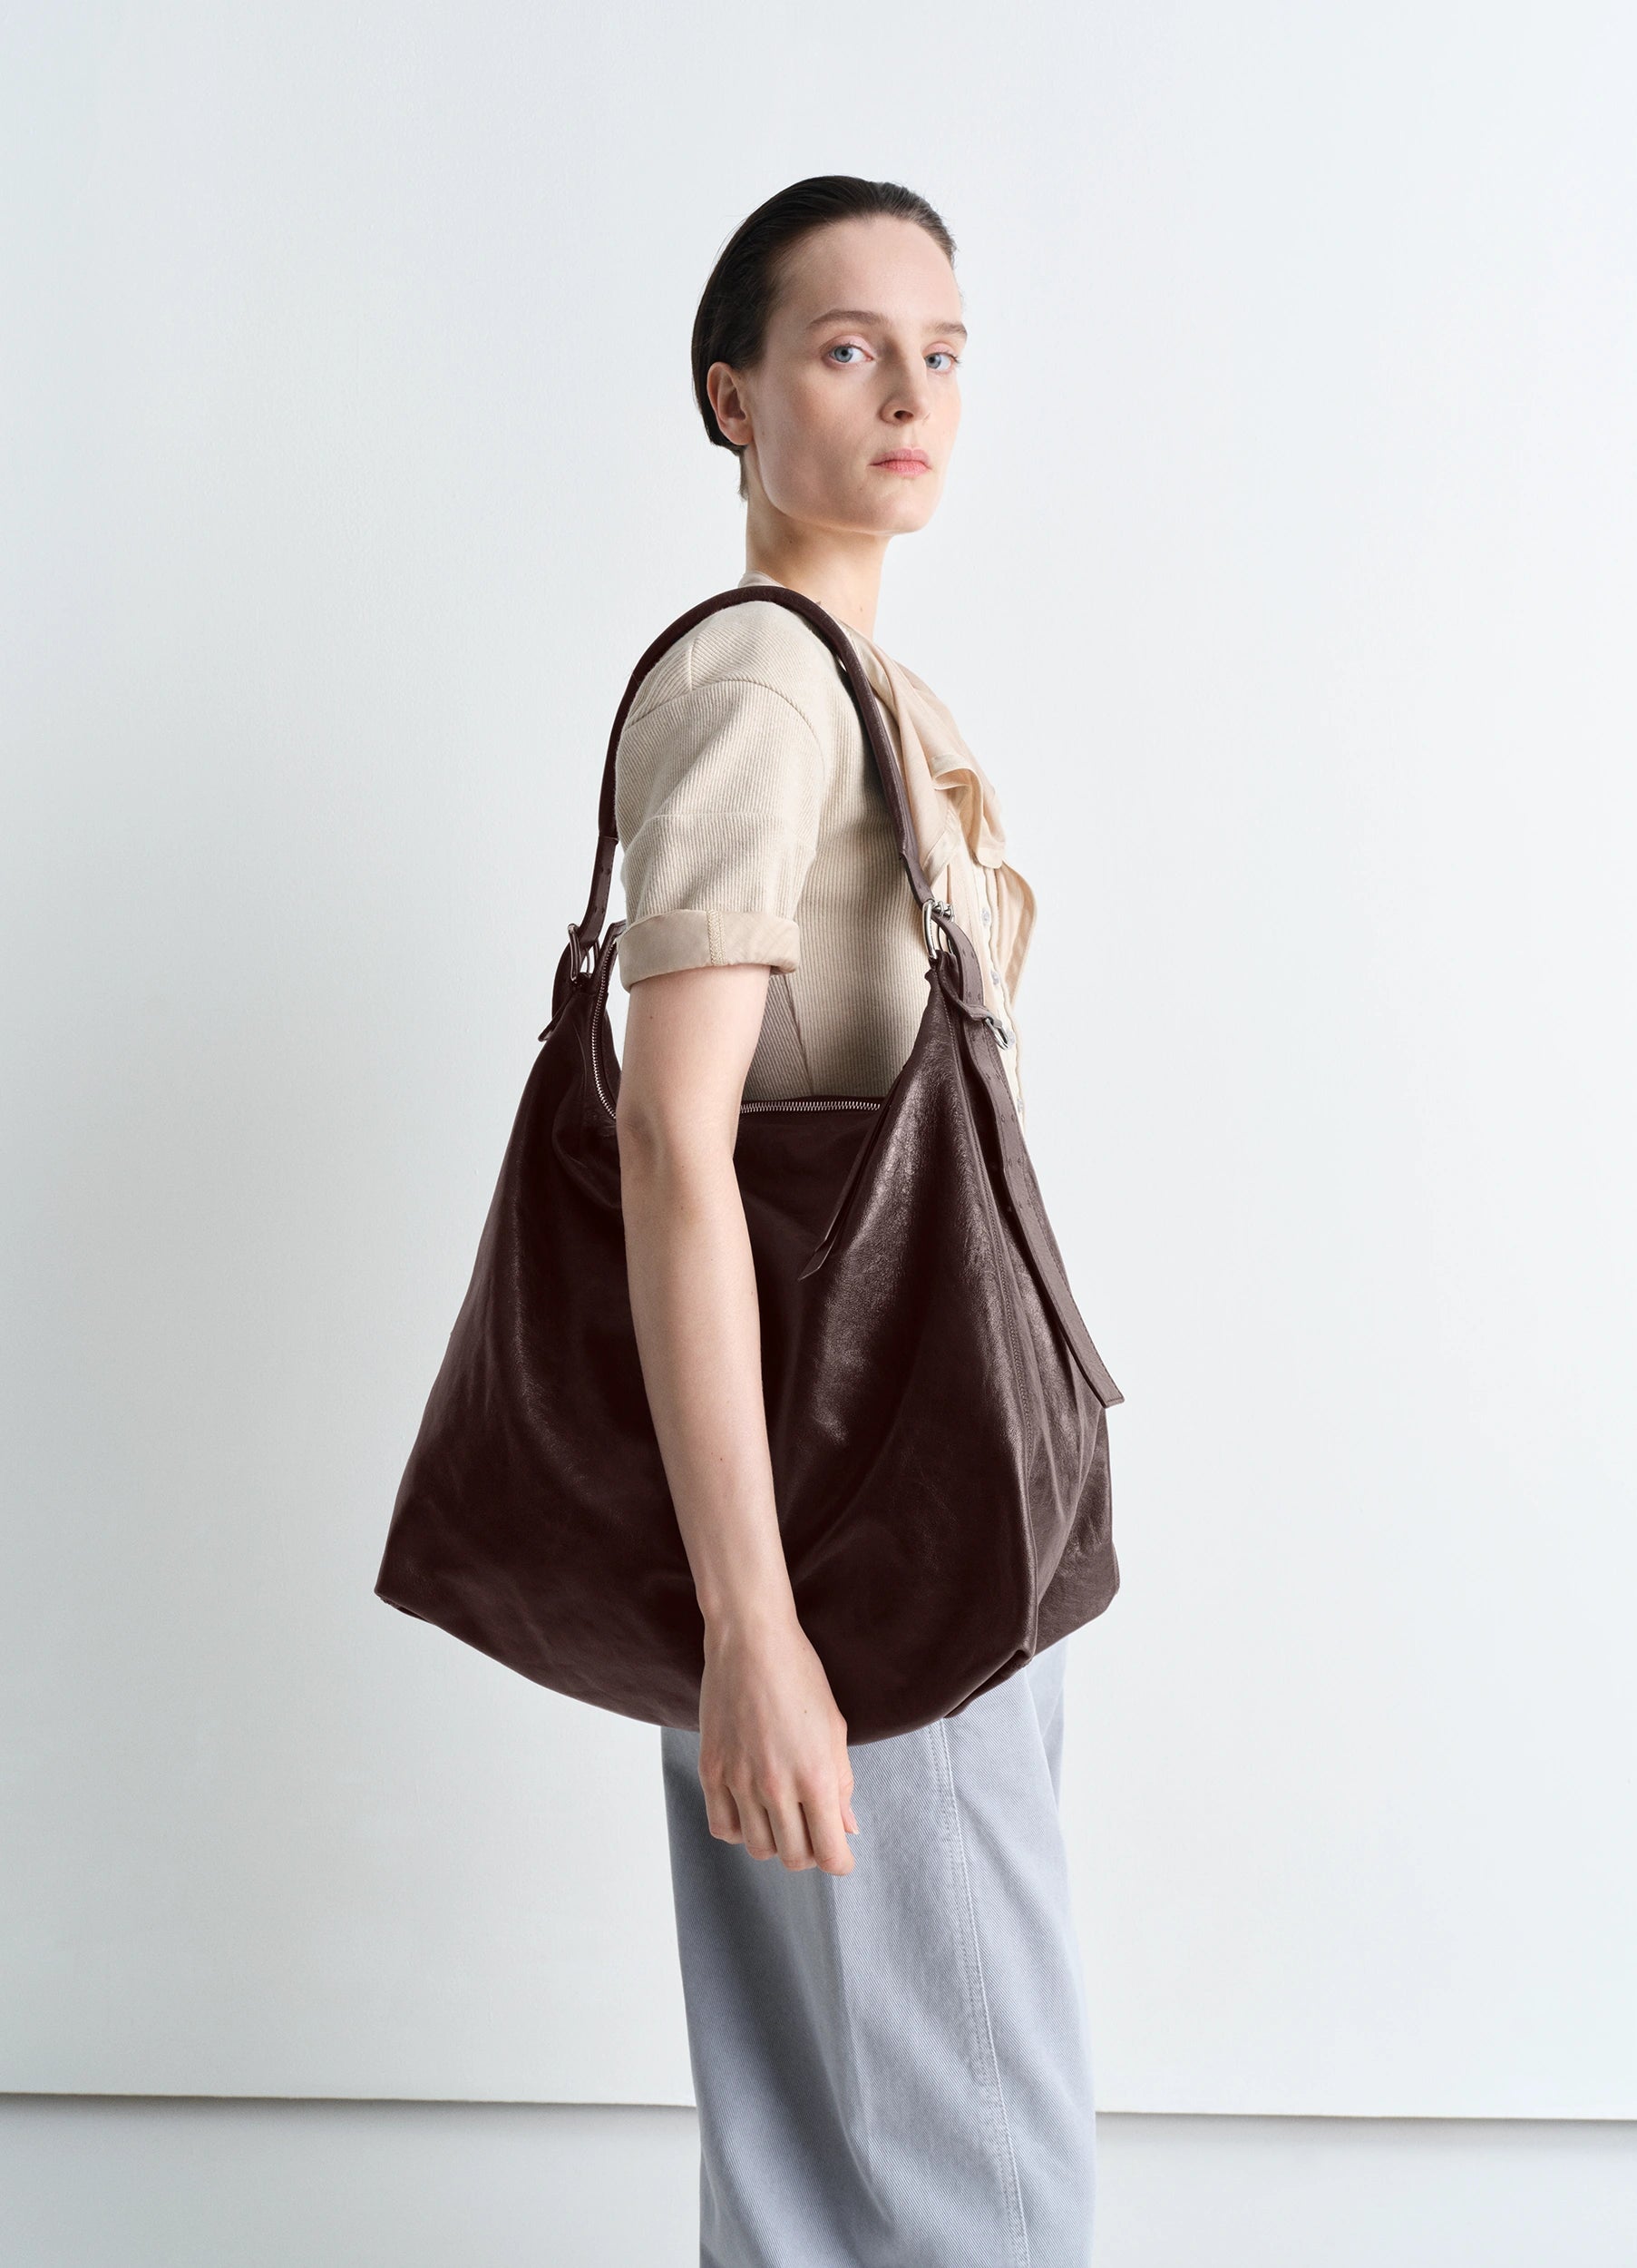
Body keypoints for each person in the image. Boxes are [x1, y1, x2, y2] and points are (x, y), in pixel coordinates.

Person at [611, 176, 1098, 2268]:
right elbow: (670, 1137)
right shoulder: (770, 690)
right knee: (981, 2170)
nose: (912, 392)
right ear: (733, 397)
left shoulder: (869, 691)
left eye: (944, 351)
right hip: (855, 1537)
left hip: (849, 1502)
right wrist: (755, 1626)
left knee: (812, 2166)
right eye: (846, 347)